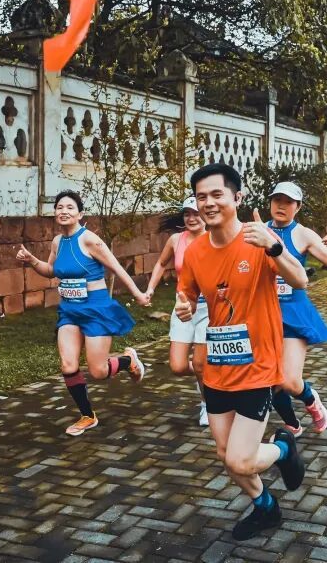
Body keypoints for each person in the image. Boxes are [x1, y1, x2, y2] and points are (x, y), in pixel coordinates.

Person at [174, 163, 309, 541]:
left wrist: (274, 246)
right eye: (201, 196)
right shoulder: (196, 251)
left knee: (240, 458)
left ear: (237, 197)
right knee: (225, 454)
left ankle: (282, 449)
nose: (208, 203)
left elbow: (300, 279)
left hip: (258, 368)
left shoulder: (259, 237)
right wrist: (184, 306)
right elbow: (187, 294)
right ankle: (265, 507)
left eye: (217, 194)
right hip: (218, 369)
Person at [16, 190, 151, 436]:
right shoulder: (57, 242)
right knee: (68, 365)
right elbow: (51, 271)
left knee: (98, 371)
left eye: (70, 207)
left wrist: (138, 294)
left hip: (96, 309)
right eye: (59, 207)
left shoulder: (89, 240)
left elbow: (117, 267)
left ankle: (128, 361)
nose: (63, 211)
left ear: (80, 214)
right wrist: (32, 260)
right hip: (69, 310)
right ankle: (88, 416)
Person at [265, 181, 327, 437]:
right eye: (277, 200)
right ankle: (293, 425)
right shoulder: (259, 230)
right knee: (269, 379)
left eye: (288, 202)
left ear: (297, 207)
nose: (281, 205)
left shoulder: (303, 234)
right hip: (263, 315)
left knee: (289, 380)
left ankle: (311, 400)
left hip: (293, 314)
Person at [146, 196, 210, 425]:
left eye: (196, 213)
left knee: (201, 364)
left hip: (208, 308)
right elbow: (161, 263)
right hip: (182, 306)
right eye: (187, 214)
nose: (191, 218)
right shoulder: (176, 240)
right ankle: (209, 374)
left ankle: (207, 404)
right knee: (178, 366)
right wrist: (150, 289)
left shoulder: (214, 238)